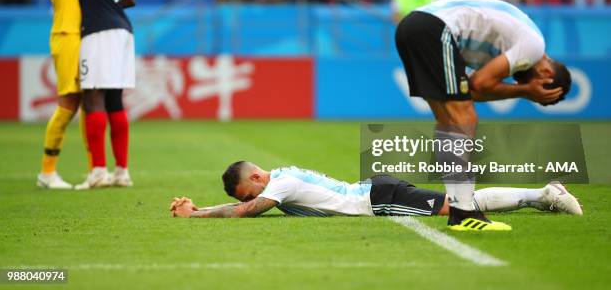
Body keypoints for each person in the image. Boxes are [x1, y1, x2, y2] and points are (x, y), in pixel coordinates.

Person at [394, 0, 572, 231]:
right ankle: (463, 212)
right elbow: (480, 83)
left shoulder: (518, 39)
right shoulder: (534, 46)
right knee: (464, 119)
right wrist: (525, 91)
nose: (517, 77)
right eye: (538, 86)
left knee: (449, 121)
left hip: (413, 27)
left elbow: (472, 91)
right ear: (547, 72)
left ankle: (460, 210)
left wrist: (524, 90)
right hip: (435, 28)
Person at [34, 0, 137, 190]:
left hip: (94, 29)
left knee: (92, 100)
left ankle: (97, 171)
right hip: (89, 30)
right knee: (92, 101)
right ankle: (104, 171)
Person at [169, 161, 582, 221]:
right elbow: (250, 204)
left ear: (256, 179)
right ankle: (538, 196)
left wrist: (196, 215)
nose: (248, 200)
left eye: (246, 193)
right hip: (375, 193)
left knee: (455, 210)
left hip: (376, 198)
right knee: (454, 207)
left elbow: (250, 211)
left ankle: (543, 193)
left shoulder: (281, 184)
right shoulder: (280, 177)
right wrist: (203, 207)